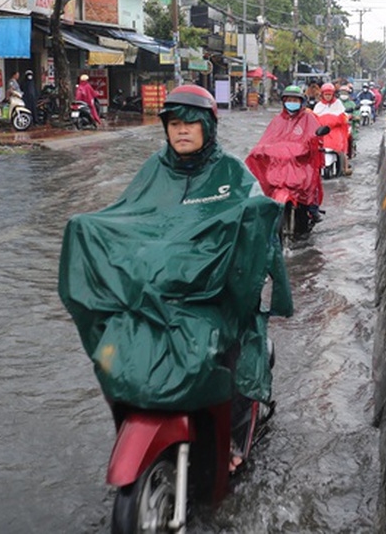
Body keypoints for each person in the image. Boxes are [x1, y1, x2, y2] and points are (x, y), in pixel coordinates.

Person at [58, 85, 292, 472]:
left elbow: (254, 218)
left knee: (227, 351)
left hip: (214, 295)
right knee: (115, 351)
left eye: (190, 124)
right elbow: (128, 219)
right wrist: (88, 230)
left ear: (208, 127)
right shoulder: (154, 170)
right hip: (161, 291)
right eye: (174, 124)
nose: (181, 131)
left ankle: (234, 431)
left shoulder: (232, 171)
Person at [246, 85, 325, 224]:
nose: (292, 103)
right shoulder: (277, 120)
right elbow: (267, 140)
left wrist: (309, 146)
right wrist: (260, 150)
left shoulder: (309, 119)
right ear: (284, 101)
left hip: (301, 163)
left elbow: (315, 138)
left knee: (311, 180)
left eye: (295, 100)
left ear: (301, 102)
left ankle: (312, 209)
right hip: (280, 165)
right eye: (290, 100)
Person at [312, 82, 352, 175]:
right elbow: (314, 119)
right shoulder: (318, 106)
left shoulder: (338, 104)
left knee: (342, 149)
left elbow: (343, 117)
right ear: (322, 95)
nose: (328, 97)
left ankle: (345, 167)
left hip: (335, 131)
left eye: (329, 94)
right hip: (322, 132)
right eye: (326, 94)